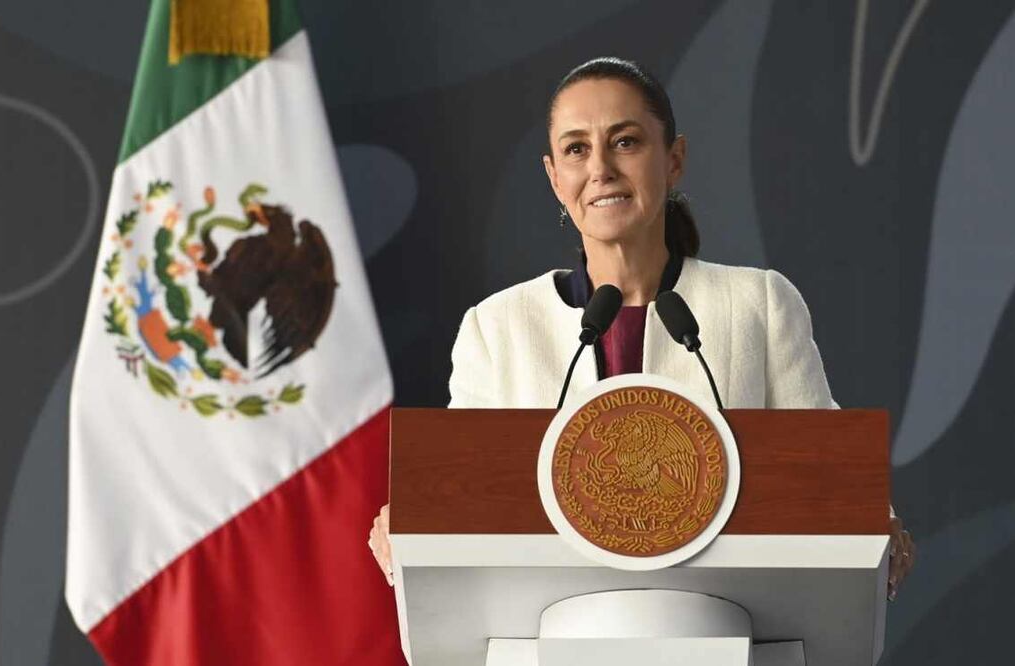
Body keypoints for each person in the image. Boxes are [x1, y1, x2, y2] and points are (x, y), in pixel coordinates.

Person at [369, 57, 914, 598]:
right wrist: (410, 520)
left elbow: (828, 474)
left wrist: (873, 523)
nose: (600, 168)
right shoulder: (498, 327)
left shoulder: (759, 303)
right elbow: (459, 493)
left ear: (674, 160)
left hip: (728, 626)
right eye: (577, 149)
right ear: (554, 177)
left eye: (625, 142)